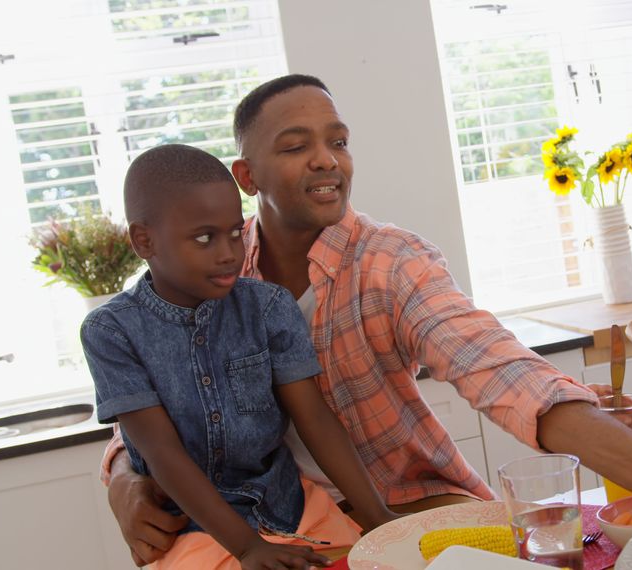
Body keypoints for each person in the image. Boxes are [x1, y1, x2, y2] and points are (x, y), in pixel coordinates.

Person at [103, 74, 632, 566]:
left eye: (337, 141)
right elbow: (157, 397)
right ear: (247, 174)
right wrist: (126, 480)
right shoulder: (212, 277)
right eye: (296, 145)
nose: (327, 159)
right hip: (281, 523)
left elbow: (492, 364)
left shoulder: (391, 262)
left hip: (409, 510)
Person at [82, 144, 396, 569]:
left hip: (294, 508)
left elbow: (315, 418)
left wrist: (379, 518)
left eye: (233, 232)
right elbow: (162, 454)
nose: (229, 252)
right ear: (144, 240)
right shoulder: (111, 332)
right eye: (204, 238)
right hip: (196, 528)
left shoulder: (268, 308)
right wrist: (247, 547)